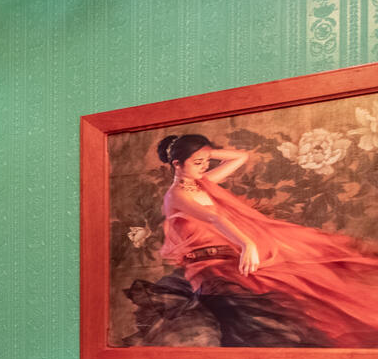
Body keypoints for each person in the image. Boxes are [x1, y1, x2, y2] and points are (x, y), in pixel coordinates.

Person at [155, 133, 378, 347]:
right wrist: (247, 243)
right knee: (280, 296)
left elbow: (242, 157)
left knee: (305, 278)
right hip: (209, 265)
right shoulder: (177, 195)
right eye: (198, 162)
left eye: (206, 161)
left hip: (230, 257)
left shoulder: (203, 183)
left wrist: (200, 152)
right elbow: (214, 217)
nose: (204, 166)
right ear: (177, 164)